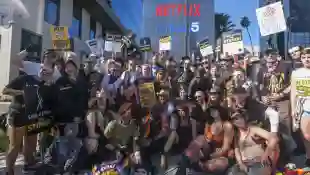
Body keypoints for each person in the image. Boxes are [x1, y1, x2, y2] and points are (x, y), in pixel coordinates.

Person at [3, 56, 58, 175]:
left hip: (33, 118)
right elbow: (5, 91)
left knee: (31, 146)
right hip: (17, 116)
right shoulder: (25, 79)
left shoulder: (47, 86)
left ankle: (28, 166)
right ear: (39, 67)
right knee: (14, 147)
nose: (44, 72)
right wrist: (21, 93)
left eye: (47, 71)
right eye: (42, 68)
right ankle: (9, 171)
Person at [227, 110, 279, 175]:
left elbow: (274, 139)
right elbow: (236, 150)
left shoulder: (253, 129)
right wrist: (240, 163)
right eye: (237, 119)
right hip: (244, 164)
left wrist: (266, 154)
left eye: (241, 117)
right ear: (233, 122)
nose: (240, 120)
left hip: (258, 163)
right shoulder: (236, 135)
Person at [291, 47, 310, 166]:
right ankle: (308, 156)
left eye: (309, 57)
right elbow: (293, 92)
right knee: (305, 135)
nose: (307, 59)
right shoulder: (296, 73)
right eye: (304, 57)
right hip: (303, 109)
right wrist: (293, 110)